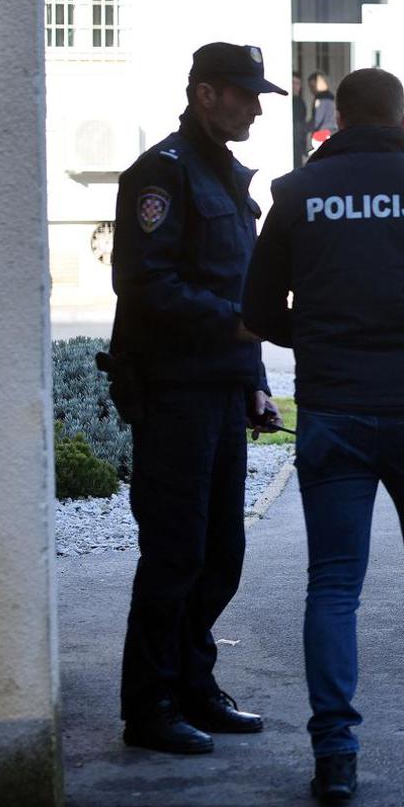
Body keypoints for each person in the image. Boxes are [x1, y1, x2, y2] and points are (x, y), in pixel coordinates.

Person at [242, 67, 404, 807]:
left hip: (336, 410)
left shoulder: (297, 196)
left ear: (336, 117)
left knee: (333, 585)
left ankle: (335, 754)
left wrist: (321, 331)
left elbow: (258, 311)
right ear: (402, 120)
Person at [107, 42, 285, 755]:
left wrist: (255, 382)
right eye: (245, 95)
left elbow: (239, 287)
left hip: (219, 390)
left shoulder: (226, 176)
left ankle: (192, 685)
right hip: (173, 391)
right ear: (206, 94)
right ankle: (149, 705)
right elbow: (143, 284)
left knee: (220, 555)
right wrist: (231, 327)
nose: (255, 109)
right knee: (175, 554)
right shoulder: (162, 173)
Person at [307, 71, 337, 147]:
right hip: (332, 132)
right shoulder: (331, 98)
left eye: (313, 86)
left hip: (323, 135)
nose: (311, 90)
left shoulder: (321, 99)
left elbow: (317, 120)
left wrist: (305, 128)